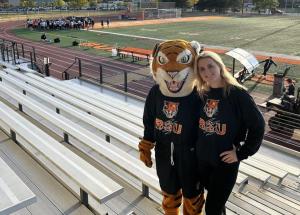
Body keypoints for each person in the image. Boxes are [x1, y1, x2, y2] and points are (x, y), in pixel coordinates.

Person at [194, 51, 265, 215]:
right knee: (217, 206)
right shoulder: (202, 94)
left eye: (210, 66)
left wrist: (241, 153)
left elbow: (258, 126)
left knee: (212, 208)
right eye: (202, 69)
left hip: (225, 164)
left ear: (220, 66)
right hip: (203, 161)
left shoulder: (237, 94)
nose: (207, 72)